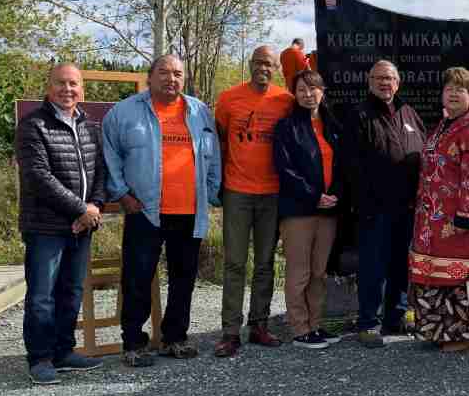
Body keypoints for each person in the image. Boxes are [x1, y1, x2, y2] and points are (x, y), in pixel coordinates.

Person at [102, 54, 222, 366]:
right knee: (137, 278)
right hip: (145, 210)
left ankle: (175, 339)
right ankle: (133, 343)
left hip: (190, 212)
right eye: (164, 72)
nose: (171, 79)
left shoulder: (199, 111)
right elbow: (110, 155)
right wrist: (122, 194)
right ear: (150, 76)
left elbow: (214, 155)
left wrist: (211, 191)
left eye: (178, 73)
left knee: (184, 280)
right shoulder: (124, 112)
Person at [15, 63, 107, 385]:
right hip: (46, 227)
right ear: (48, 86)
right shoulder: (33, 126)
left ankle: (64, 351)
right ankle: (40, 358)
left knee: (72, 291)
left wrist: (93, 209)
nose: (67, 90)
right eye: (60, 83)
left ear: (82, 89)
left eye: (73, 84)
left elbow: (101, 174)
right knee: (42, 295)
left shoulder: (90, 128)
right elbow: (39, 177)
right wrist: (81, 210)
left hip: (83, 227)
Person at [212, 45, 295, 357]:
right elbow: (219, 141)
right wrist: (217, 183)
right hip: (237, 190)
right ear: (250, 65)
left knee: (265, 263)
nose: (264, 68)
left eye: (269, 64)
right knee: (234, 262)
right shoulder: (229, 99)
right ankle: (230, 331)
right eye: (259, 62)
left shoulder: (285, 100)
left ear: (276, 69)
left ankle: (259, 325)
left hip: (272, 192)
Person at [408, 68, 469, 352]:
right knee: (437, 275)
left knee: (461, 277)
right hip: (433, 218)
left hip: (460, 219)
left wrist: (464, 214)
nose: (454, 93)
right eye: (449, 88)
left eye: (461, 89)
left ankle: (464, 333)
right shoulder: (444, 125)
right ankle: (439, 330)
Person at [343, 59, 425, 347]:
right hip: (374, 209)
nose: (384, 83)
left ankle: (396, 317)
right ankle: (369, 323)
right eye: (378, 78)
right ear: (370, 82)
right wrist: (363, 204)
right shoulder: (359, 115)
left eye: (389, 78)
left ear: (398, 82)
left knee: (400, 267)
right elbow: (352, 165)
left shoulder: (409, 113)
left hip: (407, 209)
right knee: (373, 268)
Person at [272, 69, 344, 349]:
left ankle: (315, 325)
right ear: (294, 93)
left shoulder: (331, 124)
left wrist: (334, 195)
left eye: (312, 89)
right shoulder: (286, 127)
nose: (307, 94)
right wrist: (315, 195)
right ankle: (300, 328)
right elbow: (285, 169)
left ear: (322, 91)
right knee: (299, 273)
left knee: (319, 272)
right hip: (300, 210)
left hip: (328, 211)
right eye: (301, 89)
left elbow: (342, 164)